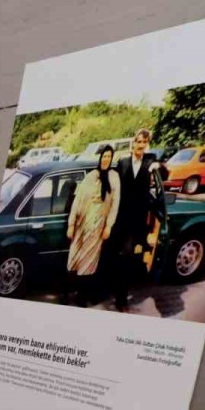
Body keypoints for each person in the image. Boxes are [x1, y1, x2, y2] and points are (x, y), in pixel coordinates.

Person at [111, 128, 164, 311]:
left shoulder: (150, 161)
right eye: (138, 141)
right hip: (120, 218)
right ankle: (116, 295)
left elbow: (164, 174)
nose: (141, 145)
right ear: (133, 143)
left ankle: (122, 298)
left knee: (128, 257)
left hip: (137, 222)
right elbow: (113, 185)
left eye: (144, 142)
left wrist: (158, 167)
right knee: (118, 256)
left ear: (147, 144)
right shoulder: (122, 162)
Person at [66, 145, 122, 306]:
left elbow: (115, 204)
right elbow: (77, 200)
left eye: (109, 157)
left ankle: (83, 297)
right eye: (104, 156)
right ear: (100, 157)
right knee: (76, 258)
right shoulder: (91, 176)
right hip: (82, 223)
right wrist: (71, 224)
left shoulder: (114, 177)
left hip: (99, 225)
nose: (106, 159)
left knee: (89, 261)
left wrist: (108, 226)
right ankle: (75, 293)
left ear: (111, 159)